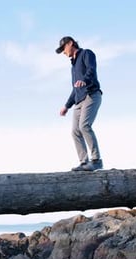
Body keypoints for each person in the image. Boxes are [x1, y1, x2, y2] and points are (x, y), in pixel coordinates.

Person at [56, 36, 103, 171]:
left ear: (71, 43)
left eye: (64, 49)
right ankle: (84, 163)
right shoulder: (73, 66)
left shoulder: (86, 54)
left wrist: (85, 80)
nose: (64, 53)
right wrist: (67, 106)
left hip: (91, 95)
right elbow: (75, 89)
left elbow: (91, 70)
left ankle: (96, 160)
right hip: (79, 101)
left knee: (84, 126)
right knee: (75, 131)